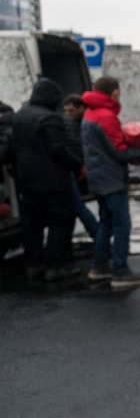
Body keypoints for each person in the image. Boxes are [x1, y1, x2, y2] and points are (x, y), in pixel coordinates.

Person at [81, 77, 140, 288]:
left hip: (98, 178)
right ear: (115, 92)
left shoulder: (90, 113)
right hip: (111, 180)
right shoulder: (106, 116)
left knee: (106, 224)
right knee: (121, 225)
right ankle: (120, 271)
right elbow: (119, 152)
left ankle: (99, 267)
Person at [11, 78, 84, 281]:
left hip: (26, 181)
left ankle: (34, 264)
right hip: (52, 182)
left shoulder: (19, 116)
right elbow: (58, 150)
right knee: (59, 223)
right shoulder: (51, 118)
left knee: (32, 226)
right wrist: (78, 164)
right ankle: (56, 266)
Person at [62, 94, 99, 242]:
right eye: (66, 111)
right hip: (78, 169)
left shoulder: (77, 123)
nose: (68, 114)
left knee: (74, 206)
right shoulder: (76, 123)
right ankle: (97, 234)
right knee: (76, 206)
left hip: (77, 169)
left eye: (70, 110)